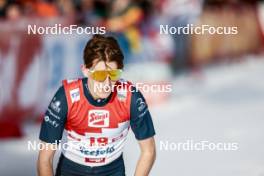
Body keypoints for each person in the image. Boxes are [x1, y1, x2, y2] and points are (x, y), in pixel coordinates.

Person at [37, 34, 156, 176]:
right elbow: (45, 158)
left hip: (112, 170)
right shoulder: (66, 96)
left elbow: (148, 151)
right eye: (100, 75)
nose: (106, 84)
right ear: (85, 71)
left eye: (113, 75)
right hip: (71, 170)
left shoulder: (131, 97)